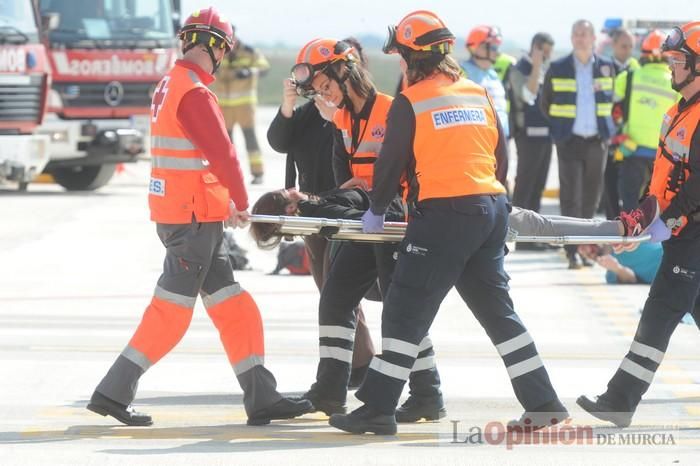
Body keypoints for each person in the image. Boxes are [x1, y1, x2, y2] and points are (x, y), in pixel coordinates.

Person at [327, 10, 568, 436]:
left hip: (445, 216)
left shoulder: (411, 100)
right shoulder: (476, 92)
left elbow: (390, 164)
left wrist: (377, 209)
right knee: (499, 315)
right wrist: (497, 204)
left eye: (401, 55)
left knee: (404, 307)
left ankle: (378, 408)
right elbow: (501, 155)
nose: (399, 64)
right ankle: (544, 402)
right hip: (490, 208)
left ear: (415, 58)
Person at [85, 7, 312, 427]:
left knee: (234, 307)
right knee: (171, 312)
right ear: (219, 47)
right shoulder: (193, 91)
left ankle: (262, 396)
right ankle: (112, 392)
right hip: (191, 221)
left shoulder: (170, 84)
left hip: (190, 214)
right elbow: (221, 154)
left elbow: (192, 159)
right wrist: (241, 199)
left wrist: (223, 203)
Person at [281, 37, 446, 422]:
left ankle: (427, 393)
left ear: (345, 70)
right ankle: (329, 392)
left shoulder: (393, 110)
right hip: (364, 221)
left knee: (399, 309)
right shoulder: (341, 120)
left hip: (393, 221)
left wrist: (361, 194)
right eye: (318, 91)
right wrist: (337, 198)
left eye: (326, 86)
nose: (325, 96)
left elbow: (404, 172)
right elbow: (345, 181)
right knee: (336, 299)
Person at [577, 21, 700, 428]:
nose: (671, 67)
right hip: (680, 232)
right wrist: (644, 218)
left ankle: (619, 400)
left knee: (660, 312)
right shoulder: (678, 112)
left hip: (692, 234)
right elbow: (663, 174)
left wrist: (671, 221)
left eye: (679, 60)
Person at [267, 37, 380, 390]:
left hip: (350, 212)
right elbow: (278, 140)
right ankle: (357, 365)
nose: (324, 89)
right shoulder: (309, 113)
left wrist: (337, 120)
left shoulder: (362, 113)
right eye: (318, 85)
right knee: (331, 292)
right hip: (315, 215)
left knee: (351, 291)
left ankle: (359, 369)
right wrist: (288, 106)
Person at [540, 19, 617, 269]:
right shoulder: (558, 67)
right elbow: (545, 103)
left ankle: (585, 248)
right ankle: (571, 250)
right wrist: (559, 131)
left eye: (584, 34)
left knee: (591, 199)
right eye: (576, 34)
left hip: (597, 141)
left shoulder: (607, 67)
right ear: (572, 38)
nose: (580, 38)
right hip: (569, 141)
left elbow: (614, 103)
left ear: (593, 38)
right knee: (570, 198)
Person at [613, 30, 679, 211]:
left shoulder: (629, 77)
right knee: (657, 205)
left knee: (630, 201)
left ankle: (629, 237)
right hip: (663, 155)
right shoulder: (676, 83)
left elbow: (613, 104)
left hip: (632, 149)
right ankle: (651, 239)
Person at [509, 32, 555, 251]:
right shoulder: (520, 69)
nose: (547, 56)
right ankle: (519, 234)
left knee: (538, 186)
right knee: (525, 185)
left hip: (546, 135)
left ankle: (534, 235)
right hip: (527, 136)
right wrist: (536, 66)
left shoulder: (545, 68)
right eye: (545, 51)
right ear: (536, 48)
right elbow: (528, 95)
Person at [210, 27, 270, 184]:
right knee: (226, 142)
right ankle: (229, 174)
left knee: (250, 138)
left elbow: (264, 67)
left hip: (244, 104)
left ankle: (258, 173)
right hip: (223, 105)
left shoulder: (249, 51)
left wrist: (249, 72)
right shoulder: (218, 50)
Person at [461, 25, 510, 137]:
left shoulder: (492, 74)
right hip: (480, 139)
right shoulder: (462, 73)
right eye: (493, 48)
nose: (497, 53)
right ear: (477, 48)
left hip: (502, 138)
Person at [578, 242, 662, 284]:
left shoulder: (625, 234)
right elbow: (632, 279)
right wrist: (617, 268)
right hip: (667, 274)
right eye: (587, 255)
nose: (585, 251)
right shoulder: (611, 274)